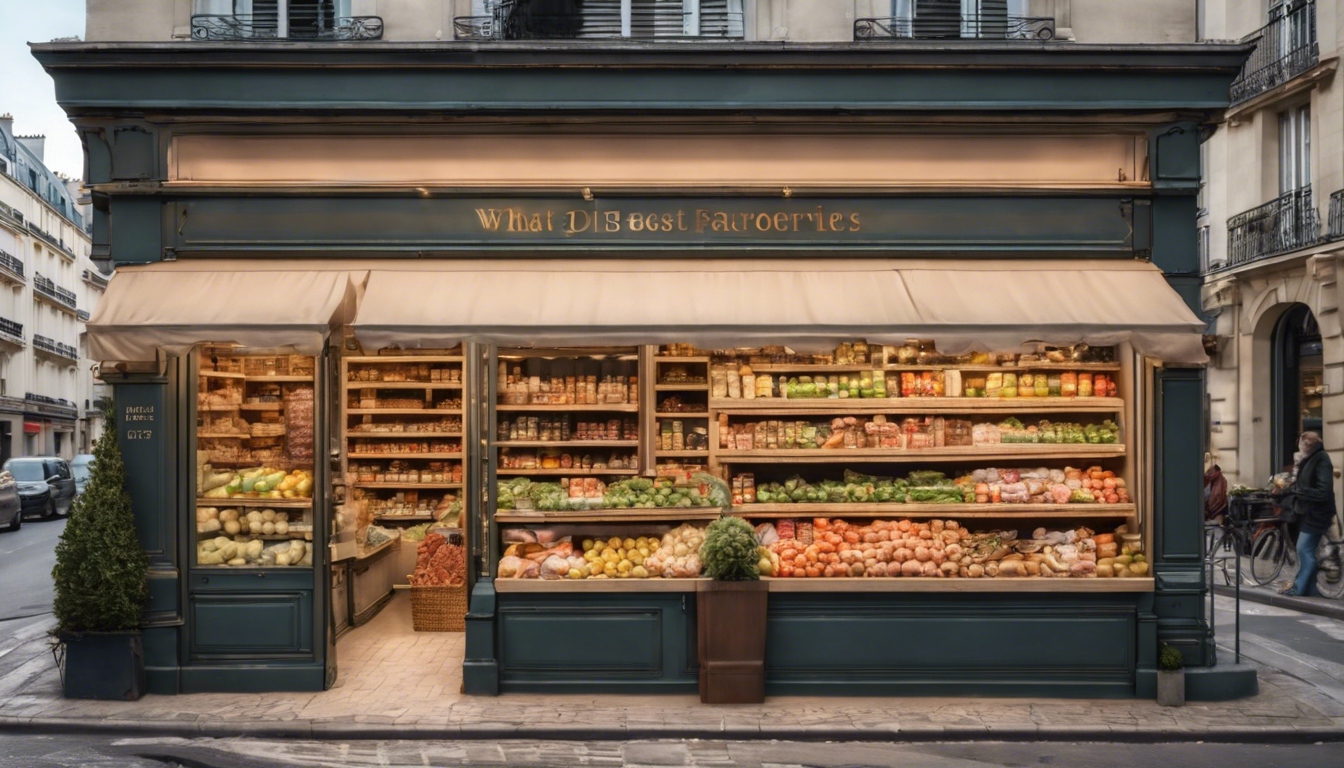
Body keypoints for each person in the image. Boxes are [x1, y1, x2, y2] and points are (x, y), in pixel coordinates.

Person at [1284, 432, 1336, 596]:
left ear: (1307, 445)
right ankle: (1311, 590)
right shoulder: (1310, 458)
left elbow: (1324, 491)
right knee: (1308, 551)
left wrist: (1300, 491)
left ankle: (1299, 588)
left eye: (1300, 443)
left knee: (1303, 550)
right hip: (1308, 512)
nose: (1298, 446)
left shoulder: (1321, 459)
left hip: (1318, 513)